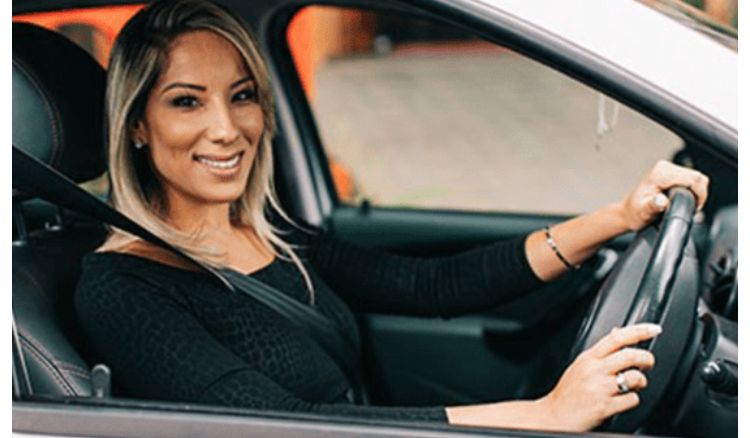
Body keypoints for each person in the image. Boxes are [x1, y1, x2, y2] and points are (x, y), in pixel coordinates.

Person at [74, 0, 710, 432]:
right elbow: (287, 425)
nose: (226, 129)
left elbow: (430, 285)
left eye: (242, 97)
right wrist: (542, 414)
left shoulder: (269, 233)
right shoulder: (121, 288)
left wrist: (618, 215)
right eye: (187, 102)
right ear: (137, 125)